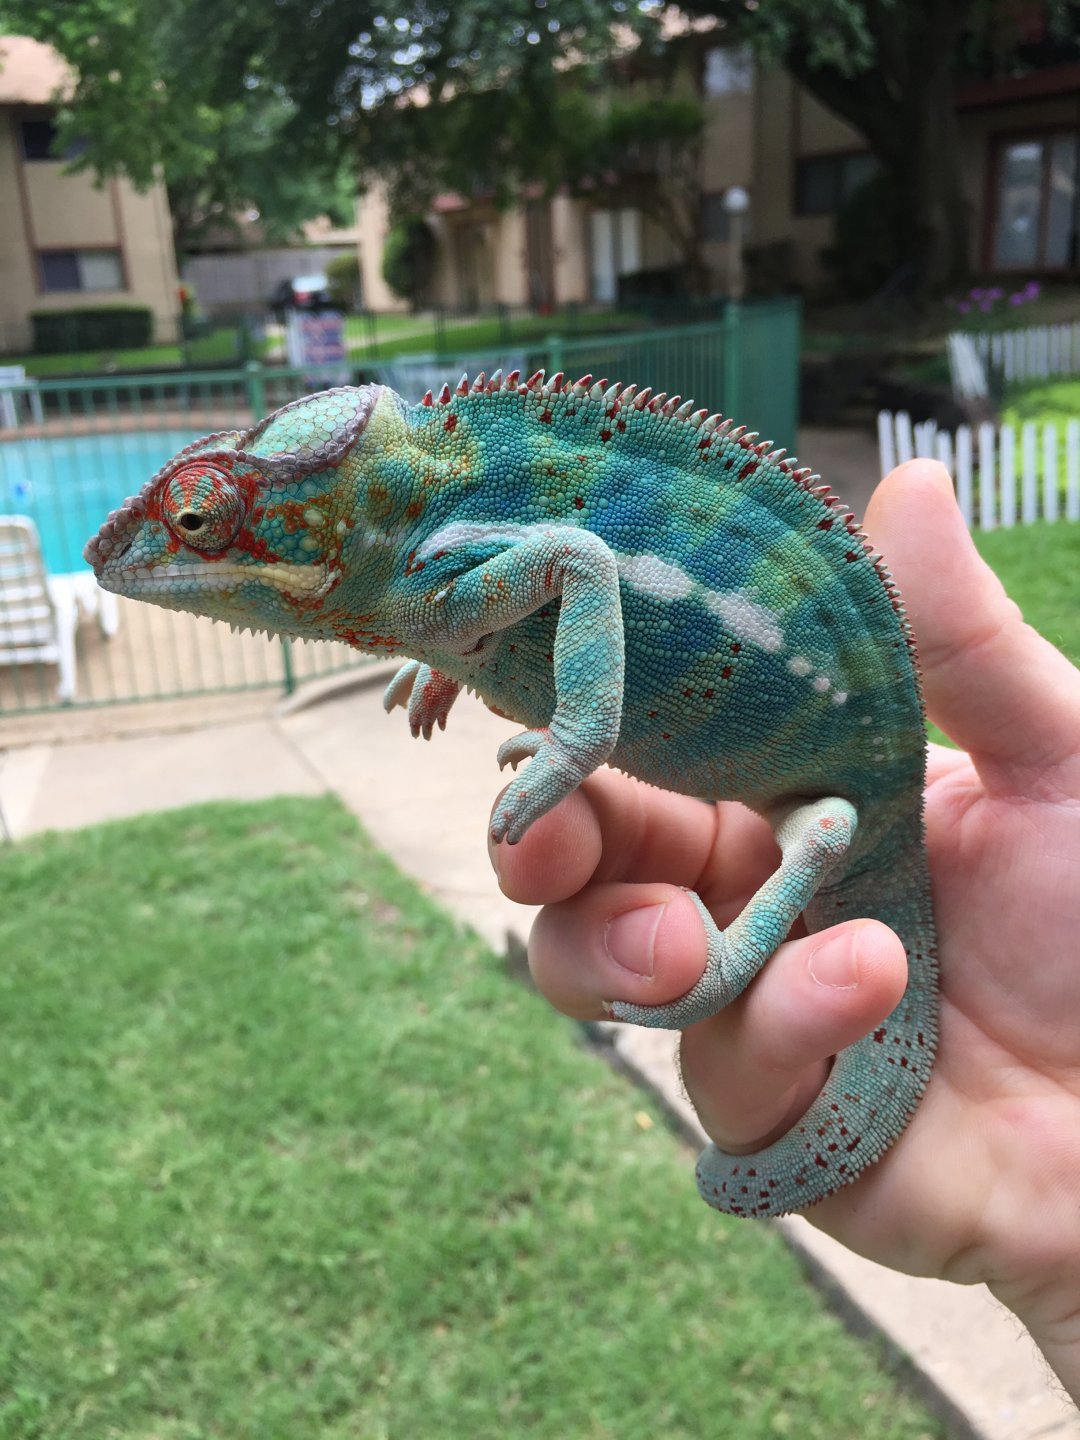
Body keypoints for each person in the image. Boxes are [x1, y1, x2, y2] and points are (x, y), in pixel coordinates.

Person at [490, 459, 1080, 1402]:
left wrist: (718, 965)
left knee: (815, 847)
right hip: (813, 773)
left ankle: (731, 963)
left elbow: (569, 562)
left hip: (848, 792)